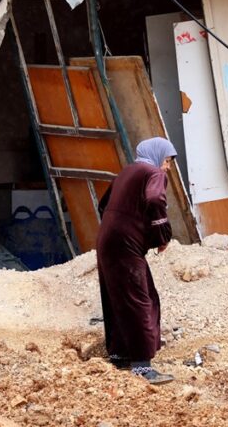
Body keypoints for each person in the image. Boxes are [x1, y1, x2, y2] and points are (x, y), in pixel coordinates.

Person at [96, 137, 176, 385]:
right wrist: (162, 235)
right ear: (158, 157)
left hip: (107, 240)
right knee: (141, 298)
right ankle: (142, 366)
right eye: (168, 161)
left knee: (117, 297)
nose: (168, 168)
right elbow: (154, 200)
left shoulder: (127, 172)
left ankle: (120, 354)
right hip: (125, 244)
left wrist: (120, 224)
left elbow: (103, 205)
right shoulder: (152, 172)